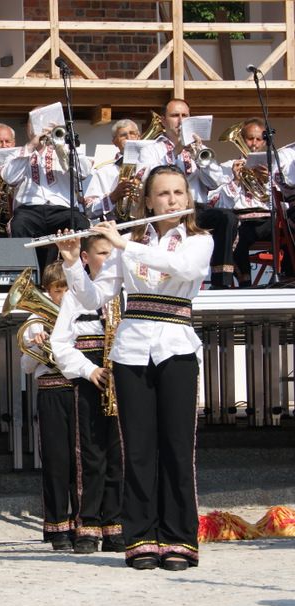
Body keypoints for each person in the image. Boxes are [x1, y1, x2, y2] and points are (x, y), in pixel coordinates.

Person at [57, 165, 212, 571]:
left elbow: (184, 270)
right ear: (147, 201)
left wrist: (122, 244)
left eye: (179, 192)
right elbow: (94, 298)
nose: (173, 200)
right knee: (137, 449)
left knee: (178, 448)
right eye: (163, 194)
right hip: (131, 351)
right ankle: (141, 536)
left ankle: (178, 537)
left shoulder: (199, 240)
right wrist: (75, 262)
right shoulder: (129, 246)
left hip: (177, 347)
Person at [50, 234, 124, 554]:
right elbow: (60, 344)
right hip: (92, 372)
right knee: (90, 454)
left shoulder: (126, 290)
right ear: (86, 258)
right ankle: (87, 525)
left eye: (112, 253)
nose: (108, 260)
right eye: (102, 253)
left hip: (122, 370)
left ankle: (116, 525)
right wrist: (87, 370)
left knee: (119, 454)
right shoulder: (76, 296)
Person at [19, 261, 78, 550]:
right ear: (48, 291)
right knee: (56, 462)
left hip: (78, 388)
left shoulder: (82, 315)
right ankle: (57, 528)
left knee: (82, 461)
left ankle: (84, 523)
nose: (63, 295)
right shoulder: (36, 321)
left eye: (68, 288)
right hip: (51, 390)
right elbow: (27, 367)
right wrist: (38, 347)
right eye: (58, 289)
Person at [1, 105, 92, 274]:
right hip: (29, 210)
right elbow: (9, 177)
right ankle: (25, 279)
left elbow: (84, 172)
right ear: (28, 128)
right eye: (33, 123)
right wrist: (30, 146)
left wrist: (61, 147)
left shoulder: (67, 149)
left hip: (62, 209)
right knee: (19, 225)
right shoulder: (18, 153)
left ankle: (81, 277)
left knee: (81, 224)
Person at [204, 118, 274, 287]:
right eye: (250, 138)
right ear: (242, 139)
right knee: (235, 236)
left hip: (267, 220)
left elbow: (281, 203)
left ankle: (287, 277)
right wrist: (235, 180)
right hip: (241, 220)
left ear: (265, 142)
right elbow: (220, 204)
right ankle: (245, 281)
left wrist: (267, 181)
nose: (254, 144)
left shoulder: (274, 167)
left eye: (259, 139)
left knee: (287, 229)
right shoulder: (228, 167)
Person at [138, 99, 224, 207]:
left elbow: (216, 183)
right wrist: (175, 152)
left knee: (228, 219)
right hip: (167, 209)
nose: (181, 121)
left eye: (184, 116)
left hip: (197, 209)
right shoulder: (150, 150)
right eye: (174, 115)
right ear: (163, 121)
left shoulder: (200, 148)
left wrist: (201, 163)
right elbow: (148, 181)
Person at [82, 119, 142, 223]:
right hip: (117, 227)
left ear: (139, 137)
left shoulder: (151, 166)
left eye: (133, 133)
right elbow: (88, 210)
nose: (129, 137)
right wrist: (113, 197)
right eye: (123, 135)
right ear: (114, 142)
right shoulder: (103, 171)